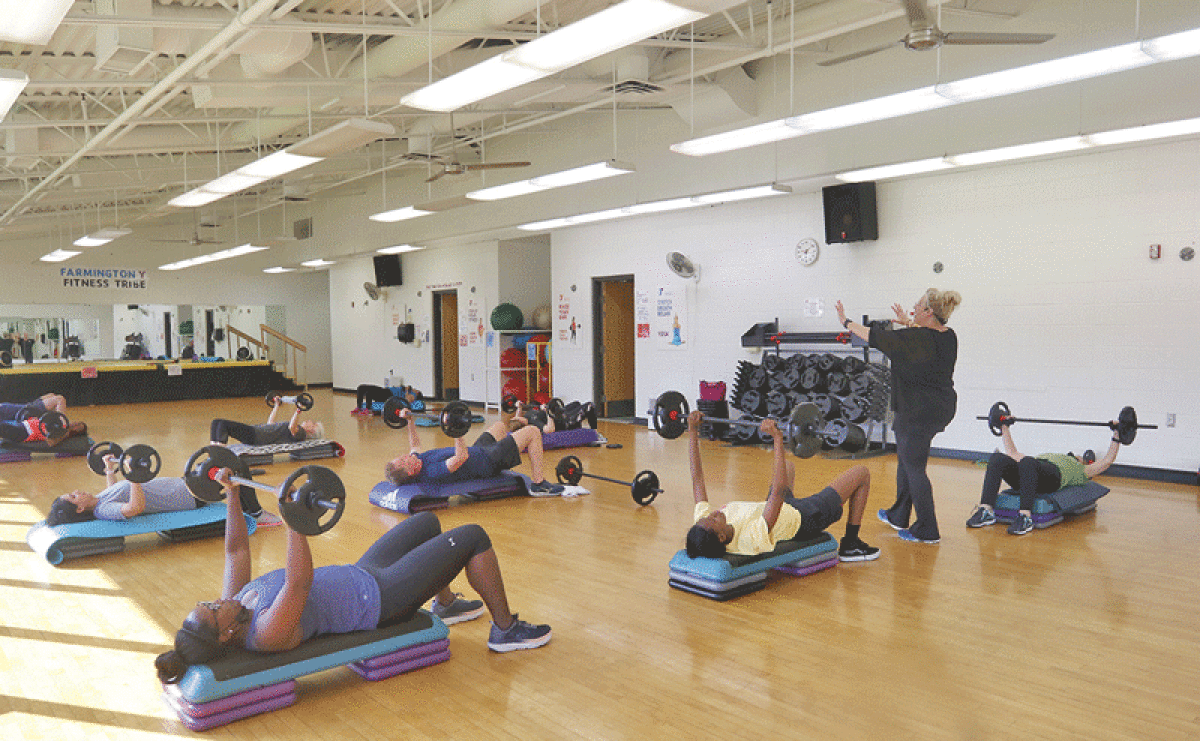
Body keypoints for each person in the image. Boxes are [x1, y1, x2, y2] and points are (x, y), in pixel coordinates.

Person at [154, 472, 551, 685]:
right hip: (382, 600)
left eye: (207, 603)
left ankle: (445, 604)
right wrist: (295, 519)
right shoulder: (265, 632)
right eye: (211, 610)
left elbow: (236, 551)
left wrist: (231, 495)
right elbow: (298, 583)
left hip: (365, 572)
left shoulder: (235, 605)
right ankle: (505, 630)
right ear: (224, 635)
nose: (214, 601)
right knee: (473, 536)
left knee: (427, 521)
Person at [836, 288, 962, 545]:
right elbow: (925, 337)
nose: (912, 307)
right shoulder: (948, 336)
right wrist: (909, 322)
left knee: (914, 467)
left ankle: (927, 529)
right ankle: (899, 514)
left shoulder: (912, 338)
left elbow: (873, 335)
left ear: (928, 312)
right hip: (941, 407)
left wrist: (845, 321)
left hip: (916, 410)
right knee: (907, 458)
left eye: (917, 305)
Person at [685, 411, 879, 563]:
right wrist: (778, 438)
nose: (711, 514)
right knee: (861, 473)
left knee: (788, 467)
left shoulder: (703, 527)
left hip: (777, 507)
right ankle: (851, 543)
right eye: (711, 519)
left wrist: (692, 430)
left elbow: (697, 478)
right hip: (803, 517)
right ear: (720, 537)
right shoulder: (748, 539)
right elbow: (777, 491)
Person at [45, 453, 282, 528]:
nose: (76, 490)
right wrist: (134, 477)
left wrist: (110, 471)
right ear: (79, 508)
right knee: (236, 464)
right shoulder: (103, 511)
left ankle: (245, 491)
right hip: (190, 496)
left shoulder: (99, 500)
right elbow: (134, 507)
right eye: (74, 496)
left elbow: (118, 491)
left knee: (225, 463)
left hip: (184, 484)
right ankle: (257, 514)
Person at [966, 423, 1121, 536]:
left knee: (1028, 462)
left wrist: (1117, 435)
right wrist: (1004, 427)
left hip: (1052, 479)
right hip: (1030, 472)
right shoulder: (1047, 456)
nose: (1080, 456)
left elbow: (1107, 461)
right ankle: (986, 511)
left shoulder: (1082, 471)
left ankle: (1025, 518)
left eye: (1084, 458)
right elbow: (1012, 452)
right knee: (997, 458)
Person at [384, 406, 564, 495]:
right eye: (402, 460)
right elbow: (461, 457)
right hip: (487, 462)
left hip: (479, 450)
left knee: (500, 426)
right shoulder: (430, 472)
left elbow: (414, 444)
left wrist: (409, 421)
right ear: (409, 471)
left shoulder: (417, 459)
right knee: (533, 432)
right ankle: (539, 484)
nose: (405, 455)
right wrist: (457, 432)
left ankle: (513, 442)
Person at [210, 397, 324, 446]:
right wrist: (276, 406)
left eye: (312, 423)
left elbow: (291, 427)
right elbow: (270, 423)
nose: (309, 420)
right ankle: (214, 451)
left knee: (223, 425)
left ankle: (219, 455)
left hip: (257, 436)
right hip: (256, 431)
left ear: (312, 430)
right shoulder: (298, 430)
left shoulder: (302, 434)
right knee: (216, 422)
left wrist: (299, 410)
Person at [0, 393, 67, 421]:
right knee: (60, 399)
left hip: (29, 405)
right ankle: (63, 426)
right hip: (28, 410)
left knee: (51, 395)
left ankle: (55, 422)